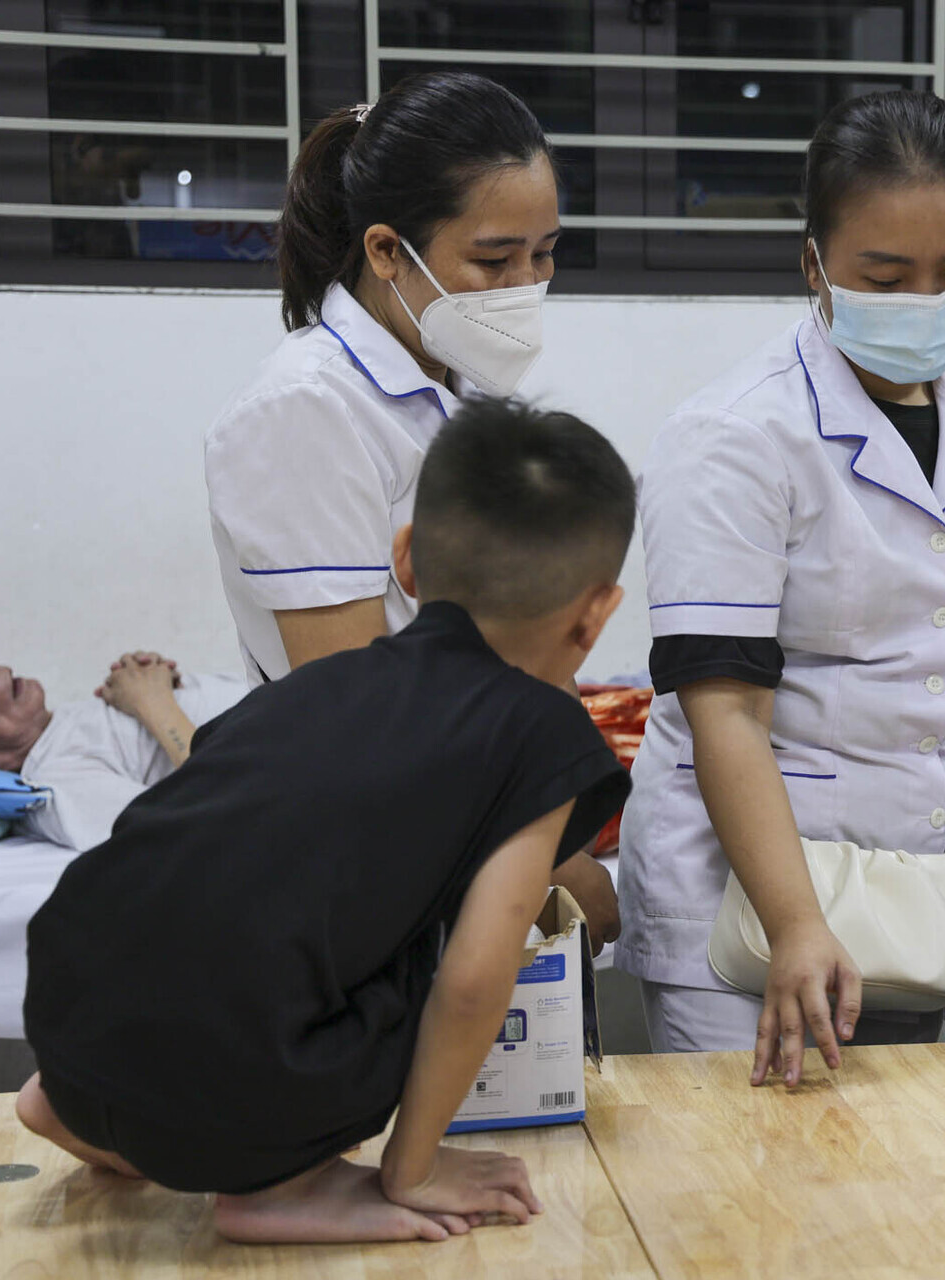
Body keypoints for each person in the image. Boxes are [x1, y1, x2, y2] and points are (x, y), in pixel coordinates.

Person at [18, 398, 634, 1245]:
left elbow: (197, 809)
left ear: (405, 562)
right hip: (242, 1081)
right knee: (416, 939)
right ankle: (281, 1185)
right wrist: (412, 1168)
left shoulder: (307, 688)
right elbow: (473, 978)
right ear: (598, 612)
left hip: (64, 1023)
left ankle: (71, 1110)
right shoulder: (543, 734)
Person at [615, 90, 945, 1084]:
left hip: (910, 905)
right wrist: (798, 920)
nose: (928, 301)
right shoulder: (737, 437)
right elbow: (722, 711)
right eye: (887, 277)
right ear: (815, 267)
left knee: (895, 1202)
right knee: (755, 1213)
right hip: (753, 916)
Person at [203, 70, 616, 936]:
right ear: (388, 250)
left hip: (467, 810)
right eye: (494, 259)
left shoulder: (453, 384)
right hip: (381, 839)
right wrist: (539, 856)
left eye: (543, 253)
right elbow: (356, 703)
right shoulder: (305, 408)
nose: (525, 284)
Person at [0, 652, 245, 852]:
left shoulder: (63, 730)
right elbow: (200, 829)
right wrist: (155, 703)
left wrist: (152, 688)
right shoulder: (55, 780)